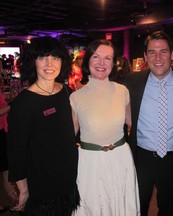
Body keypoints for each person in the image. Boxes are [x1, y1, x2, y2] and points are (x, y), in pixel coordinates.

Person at [124, 31, 173, 216]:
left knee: (166, 208)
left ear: (172, 54)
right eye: (152, 52)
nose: (158, 57)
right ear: (145, 56)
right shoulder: (131, 82)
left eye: (163, 51)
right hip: (141, 157)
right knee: (137, 206)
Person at [7, 36, 80, 215]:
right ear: (33, 62)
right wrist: (23, 190)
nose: (49, 64)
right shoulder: (23, 103)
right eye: (43, 57)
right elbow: (16, 152)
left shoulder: (66, 92)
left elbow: (70, 131)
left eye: (55, 57)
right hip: (41, 184)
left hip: (67, 178)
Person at [70, 39, 140, 216]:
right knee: (92, 205)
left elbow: (134, 123)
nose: (102, 63)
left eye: (107, 58)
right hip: (89, 162)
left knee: (120, 205)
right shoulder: (76, 97)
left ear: (113, 63)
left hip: (120, 159)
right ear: (88, 61)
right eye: (96, 57)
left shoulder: (122, 91)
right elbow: (69, 135)